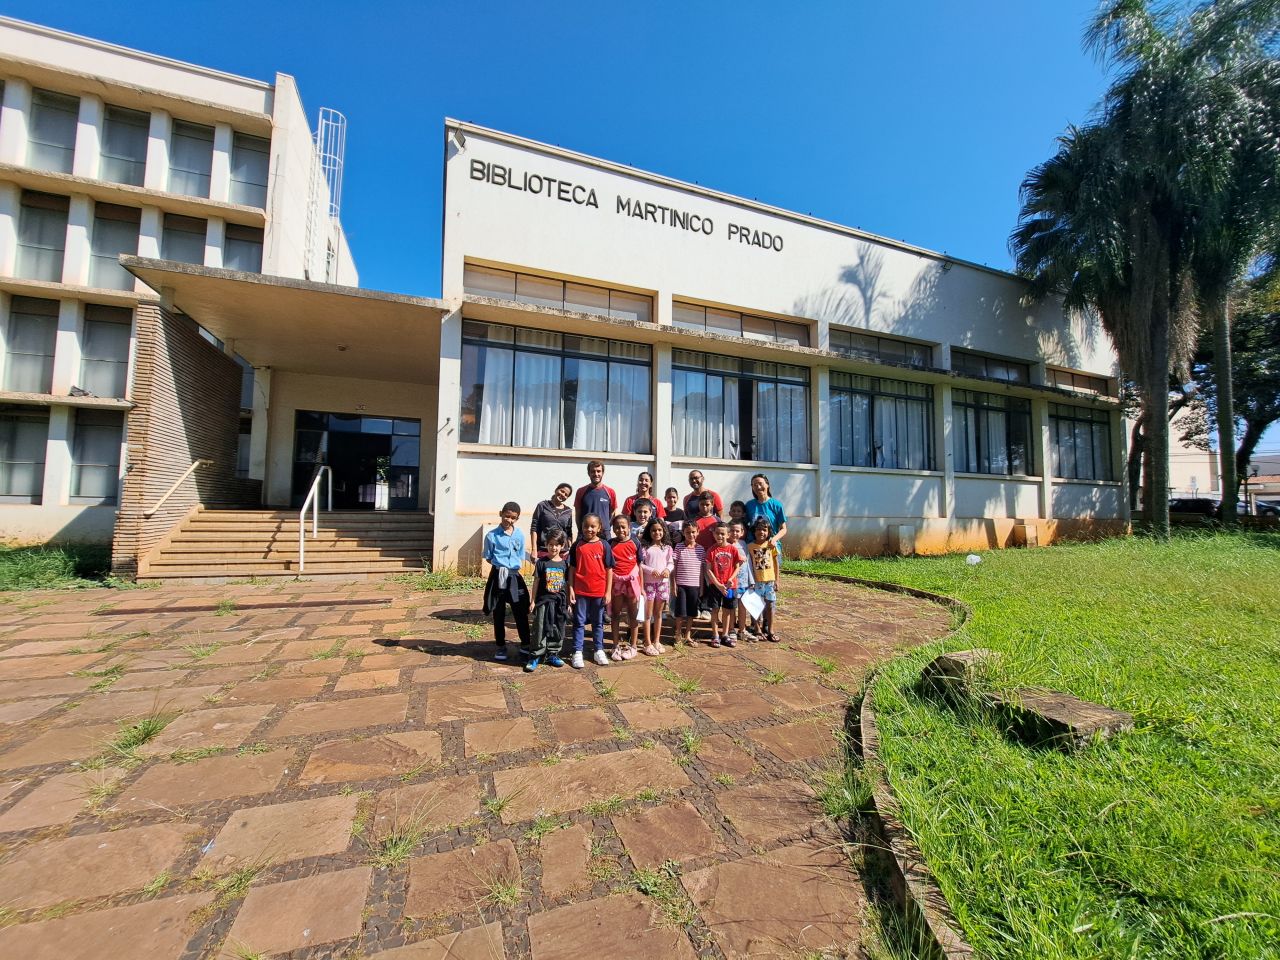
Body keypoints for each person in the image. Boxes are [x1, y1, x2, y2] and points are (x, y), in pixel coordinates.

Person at [481, 501, 530, 660]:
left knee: (521, 610)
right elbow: (488, 557)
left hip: (514, 576)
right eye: (507, 516)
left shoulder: (519, 535)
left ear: (517, 518)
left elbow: (521, 554)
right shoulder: (491, 536)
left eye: (513, 518)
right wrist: (501, 567)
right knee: (498, 612)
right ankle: (501, 646)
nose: (509, 520)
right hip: (498, 575)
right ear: (501, 513)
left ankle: (525, 644)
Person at [568, 513, 614, 669]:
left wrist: (608, 592)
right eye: (586, 526)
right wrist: (571, 588)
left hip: (598, 592)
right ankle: (577, 652)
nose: (589, 529)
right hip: (581, 592)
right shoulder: (577, 545)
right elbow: (572, 569)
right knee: (579, 622)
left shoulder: (604, 545)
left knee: (598, 623)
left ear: (599, 527)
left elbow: (609, 570)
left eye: (593, 526)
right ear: (581, 527)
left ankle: (598, 650)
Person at [527, 529, 570, 671]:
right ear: (546, 544)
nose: (554, 547)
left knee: (558, 627)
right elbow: (536, 582)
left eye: (557, 545)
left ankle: (553, 653)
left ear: (562, 546)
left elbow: (568, 584)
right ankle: (535, 654)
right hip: (543, 601)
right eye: (551, 544)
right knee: (539, 627)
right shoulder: (541, 563)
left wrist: (569, 602)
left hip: (559, 603)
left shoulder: (565, 564)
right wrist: (533, 601)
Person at [608, 515, 642, 660]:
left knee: (633, 615)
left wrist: (642, 587)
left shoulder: (635, 542)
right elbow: (608, 566)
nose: (620, 529)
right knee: (615, 614)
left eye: (623, 527)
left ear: (629, 527)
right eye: (617, 527)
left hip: (632, 584)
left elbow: (640, 565)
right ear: (613, 529)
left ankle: (633, 646)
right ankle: (615, 645)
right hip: (616, 584)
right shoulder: (609, 544)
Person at [703, 522, 742, 648]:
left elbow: (737, 567)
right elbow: (708, 570)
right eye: (717, 533)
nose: (720, 536)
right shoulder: (711, 550)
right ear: (713, 534)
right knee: (715, 610)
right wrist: (718, 584)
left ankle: (725, 634)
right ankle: (715, 635)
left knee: (727, 611)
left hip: (731, 586)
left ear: (728, 534)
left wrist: (731, 579)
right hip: (715, 586)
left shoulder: (733, 549)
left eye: (723, 534)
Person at [639, 518, 673, 656]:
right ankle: (647, 642)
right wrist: (650, 570)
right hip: (648, 585)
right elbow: (640, 564)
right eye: (653, 530)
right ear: (649, 531)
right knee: (648, 614)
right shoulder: (645, 548)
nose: (657, 532)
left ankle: (656, 640)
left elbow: (671, 563)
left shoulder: (667, 548)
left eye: (659, 530)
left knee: (658, 614)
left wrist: (667, 570)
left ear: (664, 531)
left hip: (663, 584)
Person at [671, 521, 705, 645]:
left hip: (694, 586)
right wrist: (673, 584)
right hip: (681, 585)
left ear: (698, 532)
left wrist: (701, 587)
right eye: (687, 532)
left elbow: (701, 570)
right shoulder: (679, 547)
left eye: (693, 532)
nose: (691, 535)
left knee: (691, 612)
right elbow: (673, 567)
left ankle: (688, 635)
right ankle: (678, 635)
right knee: (680, 612)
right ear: (683, 533)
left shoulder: (700, 549)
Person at [747, 518, 780, 642]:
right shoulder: (750, 546)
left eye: (764, 530)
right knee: (756, 606)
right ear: (754, 531)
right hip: (756, 582)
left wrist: (777, 580)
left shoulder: (771, 545)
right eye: (759, 529)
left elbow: (776, 563)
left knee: (770, 605)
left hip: (770, 581)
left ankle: (770, 630)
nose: (761, 532)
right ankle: (757, 628)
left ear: (769, 532)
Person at [743, 473, 788, 554]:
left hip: (771, 546)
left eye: (760, 484)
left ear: (767, 485)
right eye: (754, 485)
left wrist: (774, 539)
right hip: (753, 546)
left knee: (772, 567)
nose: (758, 487)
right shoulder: (749, 505)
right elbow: (743, 525)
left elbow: (783, 529)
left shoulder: (776, 505)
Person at [728, 519, 755, 643]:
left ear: (742, 532)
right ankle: (731, 629)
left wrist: (751, 580)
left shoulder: (744, 544)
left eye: (737, 531)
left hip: (744, 582)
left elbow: (748, 563)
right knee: (731, 607)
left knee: (743, 606)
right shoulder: (727, 545)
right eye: (732, 530)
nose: (734, 533)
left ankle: (742, 629)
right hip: (732, 583)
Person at [531, 482, 574, 558]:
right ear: (556, 490)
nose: (563, 494)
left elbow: (569, 532)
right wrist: (534, 549)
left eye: (566, 495)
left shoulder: (568, 511)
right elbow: (534, 528)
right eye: (562, 491)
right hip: (544, 550)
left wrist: (570, 550)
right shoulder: (543, 506)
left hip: (562, 552)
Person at [574, 460, 617, 533]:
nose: (596, 474)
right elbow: (578, 514)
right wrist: (581, 530)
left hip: (604, 534)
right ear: (588, 473)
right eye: (593, 471)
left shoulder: (610, 492)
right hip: (586, 533)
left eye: (598, 471)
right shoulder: (581, 491)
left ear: (602, 473)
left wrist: (606, 528)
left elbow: (612, 513)